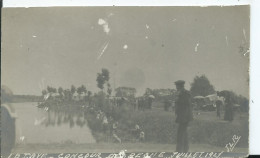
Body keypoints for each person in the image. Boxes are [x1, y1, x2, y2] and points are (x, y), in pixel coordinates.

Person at [174, 80, 193, 153]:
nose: (176, 87)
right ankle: (185, 149)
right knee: (183, 133)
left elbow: (187, 104)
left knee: (181, 133)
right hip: (182, 116)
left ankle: (179, 150)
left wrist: (178, 101)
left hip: (184, 116)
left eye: (177, 86)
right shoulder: (181, 93)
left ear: (180, 86)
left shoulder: (185, 93)